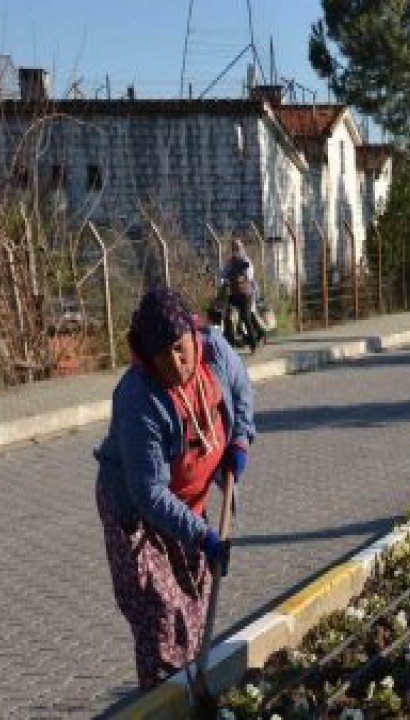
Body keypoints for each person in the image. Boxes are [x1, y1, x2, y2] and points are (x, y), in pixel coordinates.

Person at [94, 287, 255, 689]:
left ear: (192, 333)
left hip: (190, 504)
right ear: (148, 357)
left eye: (181, 348)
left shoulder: (214, 351)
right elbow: (149, 493)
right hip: (138, 517)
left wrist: (239, 440)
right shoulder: (139, 399)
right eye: (163, 356)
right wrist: (203, 536)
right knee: (161, 615)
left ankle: (193, 686)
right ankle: (164, 701)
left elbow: (241, 390)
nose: (177, 363)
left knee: (195, 608)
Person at [219, 238, 266, 351]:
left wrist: (240, 276)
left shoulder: (245, 261)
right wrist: (222, 280)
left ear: (241, 248)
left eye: (238, 247)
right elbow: (223, 274)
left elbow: (248, 275)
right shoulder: (231, 262)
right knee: (226, 313)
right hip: (235, 294)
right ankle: (230, 342)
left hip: (246, 294)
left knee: (246, 317)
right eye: (234, 248)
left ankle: (253, 344)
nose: (236, 250)